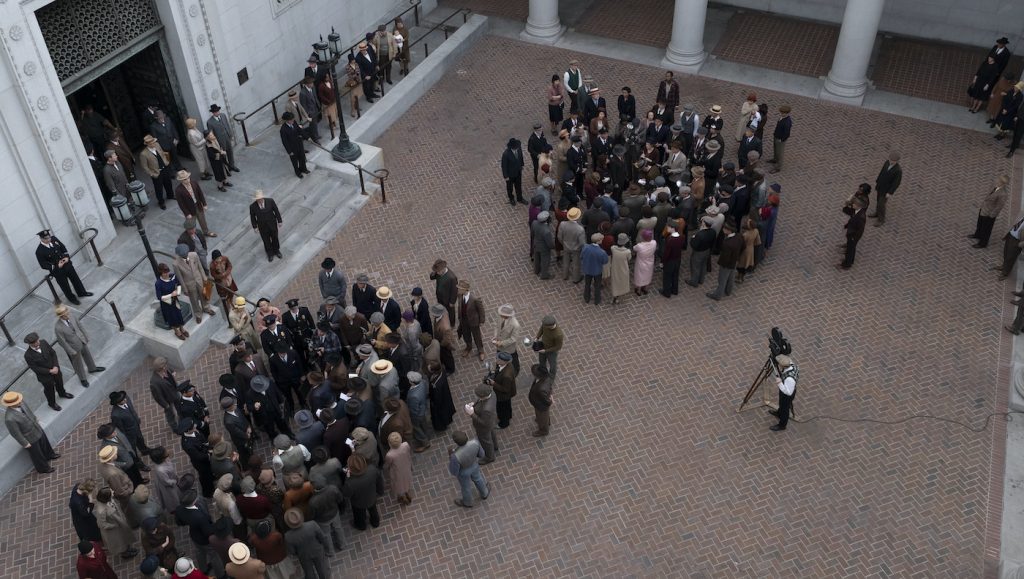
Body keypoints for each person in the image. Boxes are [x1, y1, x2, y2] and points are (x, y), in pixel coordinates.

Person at [3, 390, 59, 472]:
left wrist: (35, 418)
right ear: (11, 404)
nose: (20, 402)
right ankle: (43, 468)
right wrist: (25, 443)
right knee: (37, 454)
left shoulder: (21, 403)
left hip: (36, 427)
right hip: (28, 437)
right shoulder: (9, 418)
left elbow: (29, 411)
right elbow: (15, 433)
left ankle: (50, 455)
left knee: (44, 442)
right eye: (17, 401)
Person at [35, 229, 92, 306]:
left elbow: (63, 248)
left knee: (76, 280)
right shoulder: (39, 251)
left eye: (49, 237)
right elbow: (43, 264)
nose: (49, 239)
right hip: (58, 271)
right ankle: (72, 299)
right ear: (41, 239)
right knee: (65, 286)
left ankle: (82, 292)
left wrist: (66, 257)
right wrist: (56, 266)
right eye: (46, 238)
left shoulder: (54, 239)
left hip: (67, 265)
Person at [53, 304, 104, 387]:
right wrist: (71, 351)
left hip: (81, 340)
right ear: (61, 316)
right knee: (78, 363)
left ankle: (92, 368)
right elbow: (62, 342)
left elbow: (80, 326)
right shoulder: (58, 327)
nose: (67, 315)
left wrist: (86, 336)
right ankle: (83, 378)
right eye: (65, 314)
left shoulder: (72, 316)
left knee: (87, 355)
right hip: (73, 347)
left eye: (67, 313)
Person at [23, 331, 73, 411]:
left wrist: (56, 366)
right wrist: (50, 371)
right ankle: (52, 403)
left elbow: (53, 353)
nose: (38, 342)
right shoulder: (28, 355)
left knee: (59, 382)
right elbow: (35, 368)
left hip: (55, 369)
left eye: (38, 340)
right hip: (45, 376)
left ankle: (62, 393)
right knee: (49, 390)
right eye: (36, 342)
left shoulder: (43, 342)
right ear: (31, 344)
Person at [173, 244, 215, 324]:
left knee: (204, 295)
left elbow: (200, 267)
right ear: (179, 255)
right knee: (194, 299)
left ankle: (206, 308)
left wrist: (204, 278)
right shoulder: (176, 264)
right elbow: (180, 278)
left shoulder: (194, 255)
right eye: (183, 255)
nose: (185, 255)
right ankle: (198, 314)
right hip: (189, 284)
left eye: (186, 253)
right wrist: (184, 289)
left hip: (199, 279)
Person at [448, 430, 489, 508]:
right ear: (466, 435)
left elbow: (454, 471)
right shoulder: (475, 443)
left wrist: (450, 456)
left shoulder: (455, 456)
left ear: (456, 442)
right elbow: (481, 454)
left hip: (464, 472)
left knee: (465, 487)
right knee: (478, 478)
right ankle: (485, 493)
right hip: (474, 465)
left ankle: (467, 502)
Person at [95, 486, 138, 560]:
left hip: (119, 523)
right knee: (120, 542)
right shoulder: (101, 511)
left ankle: (127, 548)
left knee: (124, 538)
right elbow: (101, 524)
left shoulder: (108, 500)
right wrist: (113, 526)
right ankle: (125, 553)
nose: (113, 491)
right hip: (114, 531)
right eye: (111, 491)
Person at [970, 175, 1010, 248]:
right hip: (984, 209)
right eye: (999, 180)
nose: (997, 181)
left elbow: (999, 207)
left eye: (1000, 181)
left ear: (1004, 184)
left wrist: (991, 216)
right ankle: (977, 234)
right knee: (980, 223)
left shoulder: (1003, 194)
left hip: (989, 214)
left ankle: (982, 243)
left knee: (986, 229)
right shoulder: (995, 187)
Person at [707, 221, 743, 300]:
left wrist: (722, 264)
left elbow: (725, 257)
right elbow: (743, 247)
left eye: (724, 228)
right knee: (731, 277)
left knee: (722, 280)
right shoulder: (739, 236)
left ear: (729, 230)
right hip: (734, 261)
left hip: (726, 264)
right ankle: (728, 291)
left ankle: (717, 295)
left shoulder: (727, 244)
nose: (723, 229)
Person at [140, 134, 175, 209]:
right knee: (159, 188)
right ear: (147, 144)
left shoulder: (157, 145)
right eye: (151, 143)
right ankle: (161, 202)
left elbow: (162, 153)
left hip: (164, 168)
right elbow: (145, 167)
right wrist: (152, 174)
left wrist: (166, 162)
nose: (153, 143)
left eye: (153, 142)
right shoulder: (143, 154)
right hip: (156, 173)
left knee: (168, 183)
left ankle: (170, 195)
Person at [467, 384, 498, 464]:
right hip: (491, 421)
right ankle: (495, 446)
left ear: (483, 396)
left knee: (485, 441)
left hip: (484, 427)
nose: (477, 397)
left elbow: (483, 422)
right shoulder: (492, 393)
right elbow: (481, 401)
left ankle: (490, 457)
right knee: (491, 433)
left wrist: (472, 414)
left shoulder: (486, 409)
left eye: (478, 396)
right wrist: (474, 404)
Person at [870, 152, 902, 227]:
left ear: (897, 161)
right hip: (880, 186)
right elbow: (882, 172)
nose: (891, 161)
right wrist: (877, 181)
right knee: (878, 200)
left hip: (886, 190)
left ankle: (881, 219)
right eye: (890, 160)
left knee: (881, 204)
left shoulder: (898, 170)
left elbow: (896, 183)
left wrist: (890, 192)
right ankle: (877, 213)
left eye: (893, 161)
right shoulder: (886, 163)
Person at [456, 280, 485, 361]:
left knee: (477, 336)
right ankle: (468, 347)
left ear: (465, 289)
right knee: (466, 335)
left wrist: (482, 321)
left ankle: (480, 350)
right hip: (464, 320)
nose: (458, 290)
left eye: (460, 288)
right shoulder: (460, 295)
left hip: (473, 321)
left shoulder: (475, 299)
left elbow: (481, 310)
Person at [207, 103, 239, 172]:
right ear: (212, 113)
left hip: (227, 138)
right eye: (215, 112)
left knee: (230, 152)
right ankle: (227, 168)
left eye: (218, 111)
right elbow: (211, 134)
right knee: (223, 155)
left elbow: (227, 125)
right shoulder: (209, 122)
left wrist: (230, 135)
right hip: (220, 141)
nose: (217, 113)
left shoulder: (223, 115)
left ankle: (232, 165)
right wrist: (216, 144)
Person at [383, 431, 414, 505]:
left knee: (398, 485)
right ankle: (407, 494)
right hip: (406, 467)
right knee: (406, 481)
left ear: (390, 443)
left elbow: (387, 465)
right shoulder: (405, 445)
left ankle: (402, 497)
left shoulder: (389, 455)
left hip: (397, 473)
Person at [770, 355, 798, 431]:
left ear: (783, 366)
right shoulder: (791, 364)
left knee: (785, 409)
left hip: (787, 395)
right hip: (785, 391)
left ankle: (782, 425)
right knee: (781, 404)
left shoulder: (789, 379)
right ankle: (779, 413)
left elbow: (788, 392)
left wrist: (779, 383)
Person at [838, 196, 867, 270]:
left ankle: (846, 265)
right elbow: (845, 210)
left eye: (854, 204)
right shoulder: (856, 211)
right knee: (851, 248)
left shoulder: (861, 216)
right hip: (852, 233)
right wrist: (847, 203)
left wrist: (854, 238)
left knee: (850, 250)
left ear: (858, 206)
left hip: (853, 235)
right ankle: (850, 261)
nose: (852, 205)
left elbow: (860, 229)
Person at [581, 233, 609, 305]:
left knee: (587, 284)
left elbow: (581, 256)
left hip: (587, 269)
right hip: (597, 271)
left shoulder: (585, 247)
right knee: (597, 285)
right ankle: (597, 300)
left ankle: (586, 298)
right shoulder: (601, 252)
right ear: (598, 241)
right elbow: (605, 261)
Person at [279, 111, 309, 178]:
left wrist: (307, 137)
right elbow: (285, 142)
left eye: (292, 119)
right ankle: (298, 173)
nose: (292, 120)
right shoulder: (283, 130)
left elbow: (299, 130)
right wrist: (289, 151)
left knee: (302, 158)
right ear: (286, 120)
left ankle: (303, 169)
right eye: (291, 120)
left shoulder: (294, 122)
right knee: (295, 162)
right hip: (292, 148)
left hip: (299, 144)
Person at [661, 222, 685, 298]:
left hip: (670, 261)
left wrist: (662, 262)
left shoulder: (670, 240)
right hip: (677, 259)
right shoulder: (681, 237)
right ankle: (675, 290)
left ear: (673, 228)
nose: (667, 228)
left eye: (668, 227)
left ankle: (666, 292)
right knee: (675, 275)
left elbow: (666, 253)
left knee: (667, 277)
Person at [501, 137, 526, 205]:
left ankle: (520, 198)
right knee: (510, 188)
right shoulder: (506, 154)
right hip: (510, 175)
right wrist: (506, 176)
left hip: (518, 172)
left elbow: (521, 157)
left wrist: (522, 165)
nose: (518, 148)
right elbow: (504, 166)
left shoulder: (518, 149)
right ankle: (511, 198)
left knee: (518, 186)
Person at [532, 211, 555, 278]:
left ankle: (536, 270)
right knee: (545, 261)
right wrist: (553, 247)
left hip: (536, 244)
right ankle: (544, 275)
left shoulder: (534, 223)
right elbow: (549, 243)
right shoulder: (546, 231)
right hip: (544, 248)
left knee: (537, 258)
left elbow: (532, 234)